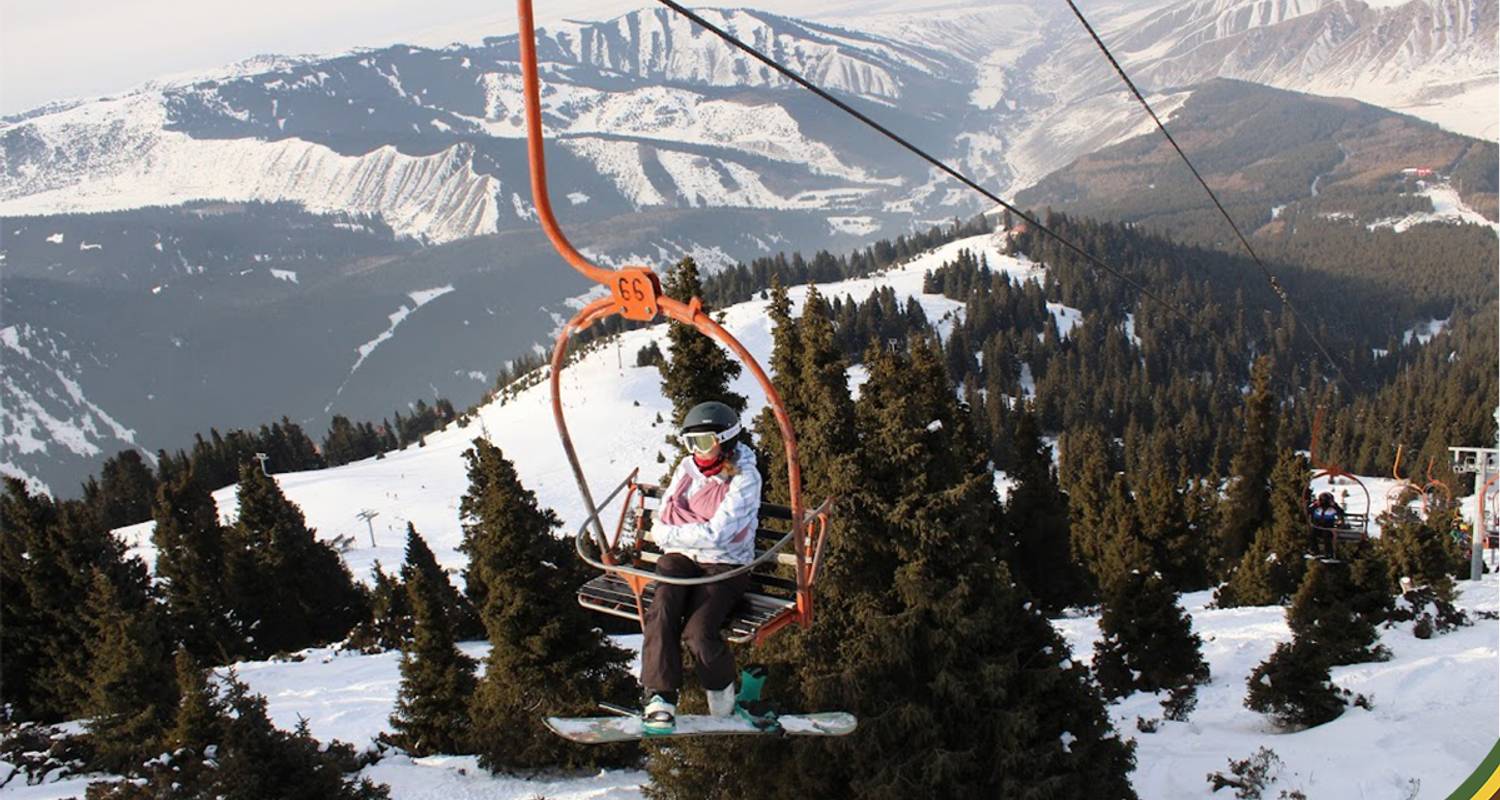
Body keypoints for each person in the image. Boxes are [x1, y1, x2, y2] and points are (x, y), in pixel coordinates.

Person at [639, 400, 762, 734]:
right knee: (662, 608)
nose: (696, 451)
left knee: (698, 631)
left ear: (726, 439)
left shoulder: (745, 477)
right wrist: (678, 531)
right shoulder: (686, 469)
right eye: (690, 442)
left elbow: (719, 535)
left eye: (703, 442)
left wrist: (674, 530)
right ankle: (660, 698)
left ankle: (722, 701)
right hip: (680, 560)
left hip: (725, 566)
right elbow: (659, 527)